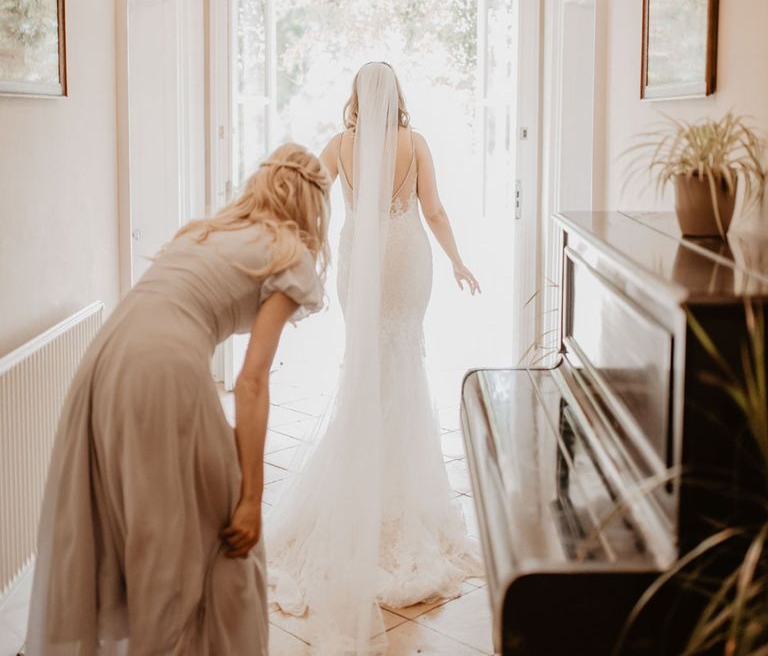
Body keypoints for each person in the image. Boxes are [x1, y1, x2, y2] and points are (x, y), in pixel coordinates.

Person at [25, 144, 331, 655]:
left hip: (108, 355)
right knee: (221, 539)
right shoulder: (288, 254)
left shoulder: (207, 233)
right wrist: (253, 498)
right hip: (163, 365)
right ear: (309, 202)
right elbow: (252, 380)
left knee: (148, 522)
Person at [267, 62, 483, 655]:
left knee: (365, 360)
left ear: (357, 97)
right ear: (399, 97)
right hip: (409, 259)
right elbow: (433, 211)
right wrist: (459, 261)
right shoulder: (416, 145)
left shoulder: (339, 144)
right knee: (405, 359)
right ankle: (398, 486)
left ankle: (365, 472)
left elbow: (312, 193)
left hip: (364, 266)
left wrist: (315, 243)